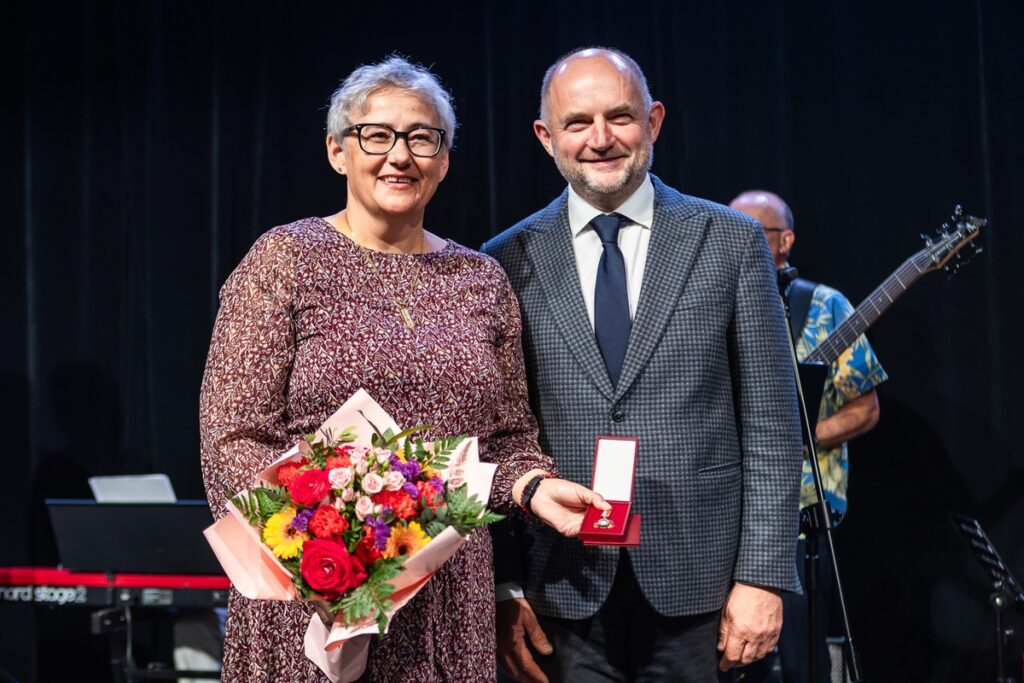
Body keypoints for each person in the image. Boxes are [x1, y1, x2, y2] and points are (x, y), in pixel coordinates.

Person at [199, 55, 608, 683]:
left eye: (422, 138)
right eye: (377, 135)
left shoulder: (481, 279)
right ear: (338, 151)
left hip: (449, 596)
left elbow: (507, 439)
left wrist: (531, 488)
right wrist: (328, 554)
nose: (400, 155)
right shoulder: (284, 260)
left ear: (443, 160)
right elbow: (232, 439)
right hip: (315, 595)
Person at [481, 48, 804, 683]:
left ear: (653, 121)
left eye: (619, 117)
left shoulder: (731, 240)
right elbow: (497, 437)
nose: (600, 139)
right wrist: (506, 588)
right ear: (546, 137)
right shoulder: (504, 259)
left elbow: (772, 424)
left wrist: (763, 577)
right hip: (562, 592)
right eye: (577, 123)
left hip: (705, 594)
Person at [729, 190, 888, 683]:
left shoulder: (823, 306)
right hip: (722, 517)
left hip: (800, 517)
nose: (741, 244)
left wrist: (800, 436)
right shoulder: (715, 300)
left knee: (796, 662)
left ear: (786, 241)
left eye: (753, 233)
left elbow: (865, 409)